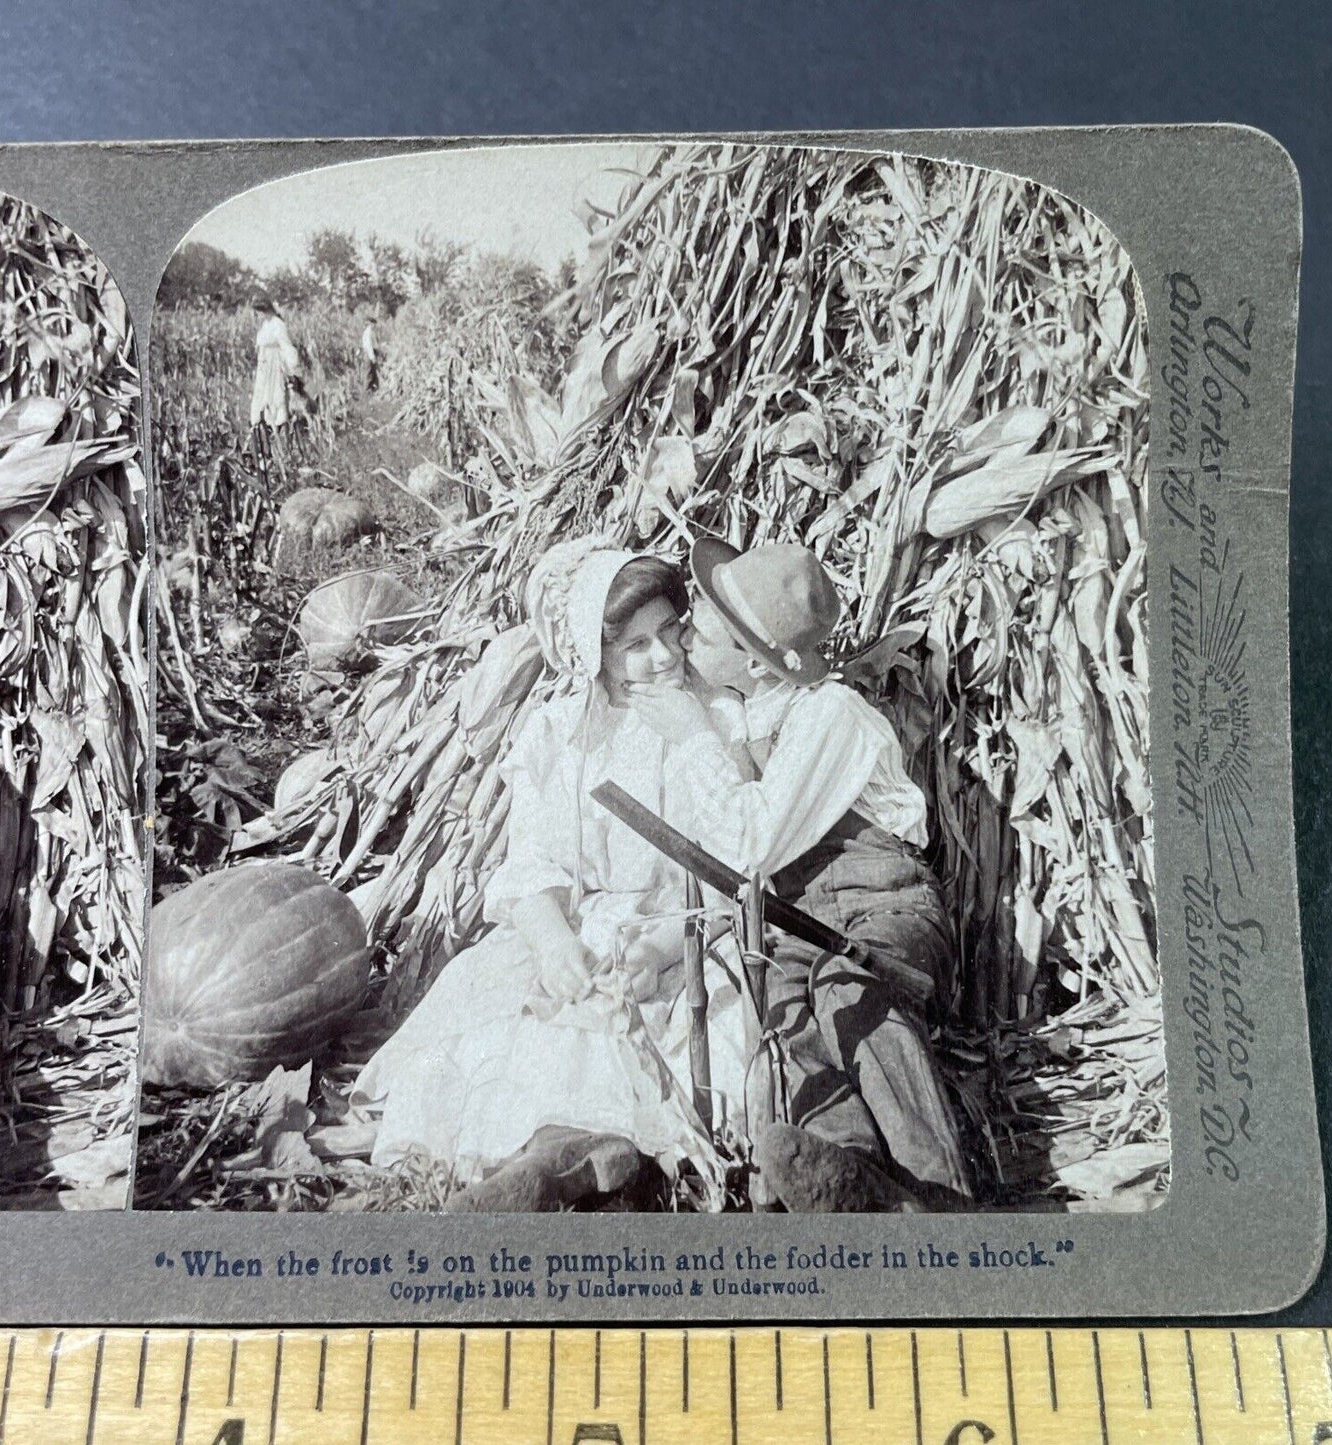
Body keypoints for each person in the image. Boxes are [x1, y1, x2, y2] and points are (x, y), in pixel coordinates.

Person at [354, 538, 748, 1211]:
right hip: (583, 928)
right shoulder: (556, 732)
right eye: (637, 646)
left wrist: (657, 951)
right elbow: (531, 860)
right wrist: (553, 941)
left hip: (685, 935)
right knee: (523, 1023)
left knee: (672, 1036)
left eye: (669, 635)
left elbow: (731, 864)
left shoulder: (713, 718)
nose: (664, 659)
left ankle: (600, 1160)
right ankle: (537, 1163)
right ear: (593, 655)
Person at [629, 538, 974, 1213]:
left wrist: (694, 736)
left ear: (752, 663)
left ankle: (937, 1193)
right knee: (783, 1019)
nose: (682, 635)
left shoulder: (830, 715)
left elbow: (750, 840)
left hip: (884, 906)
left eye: (699, 628)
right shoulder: (745, 717)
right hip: (796, 924)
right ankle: (849, 1176)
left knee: (849, 988)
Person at [249, 296, 303, 433]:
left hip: (274, 362)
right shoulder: (266, 324)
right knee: (262, 393)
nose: (258, 315)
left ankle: (279, 425)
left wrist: (292, 365)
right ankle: (264, 423)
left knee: (275, 393)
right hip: (264, 363)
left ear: (265, 311)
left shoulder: (278, 324)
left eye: (260, 312)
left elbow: (286, 345)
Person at [360, 314, 381, 392]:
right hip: (368, 354)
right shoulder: (368, 332)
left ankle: (372, 389)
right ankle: (366, 390)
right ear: (371, 323)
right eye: (374, 324)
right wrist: (372, 357)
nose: (375, 326)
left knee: (372, 371)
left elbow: (375, 344)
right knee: (368, 371)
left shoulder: (371, 332)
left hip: (371, 352)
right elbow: (369, 346)